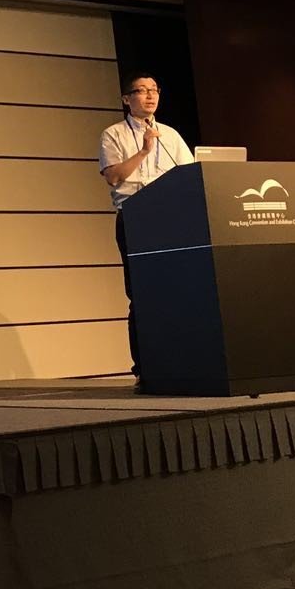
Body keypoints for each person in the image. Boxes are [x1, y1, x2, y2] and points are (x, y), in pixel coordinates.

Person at [98, 73, 193, 384]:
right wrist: (143, 151)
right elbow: (114, 177)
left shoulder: (171, 135)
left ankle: (180, 360)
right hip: (135, 218)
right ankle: (143, 368)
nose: (150, 96)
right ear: (127, 99)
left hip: (171, 220)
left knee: (176, 290)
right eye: (141, 90)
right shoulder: (113, 134)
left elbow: (190, 176)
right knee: (140, 295)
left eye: (154, 90)